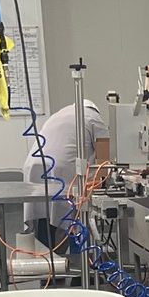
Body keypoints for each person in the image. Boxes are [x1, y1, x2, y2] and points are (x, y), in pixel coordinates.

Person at [22, 99, 108, 248]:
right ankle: (76, 259)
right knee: (71, 217)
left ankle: (47, 259)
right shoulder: (95, 119)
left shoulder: (58, 115)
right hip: (62, 170)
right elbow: (105, 163)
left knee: (43, 216)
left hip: (34, 166)